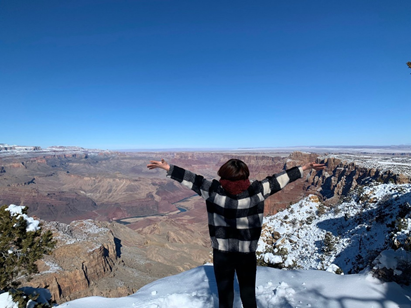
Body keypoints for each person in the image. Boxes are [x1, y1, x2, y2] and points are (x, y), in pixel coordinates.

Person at [147, 158, 325, 308]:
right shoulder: (257, 191)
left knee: (225, 298)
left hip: (222, 254)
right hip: (246, 254)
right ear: (245, 177)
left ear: (224, 177)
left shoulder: (213, 192)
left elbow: (192, 179)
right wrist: (305, 168)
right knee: (248, 296)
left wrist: (168, 168)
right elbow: (280, 180)